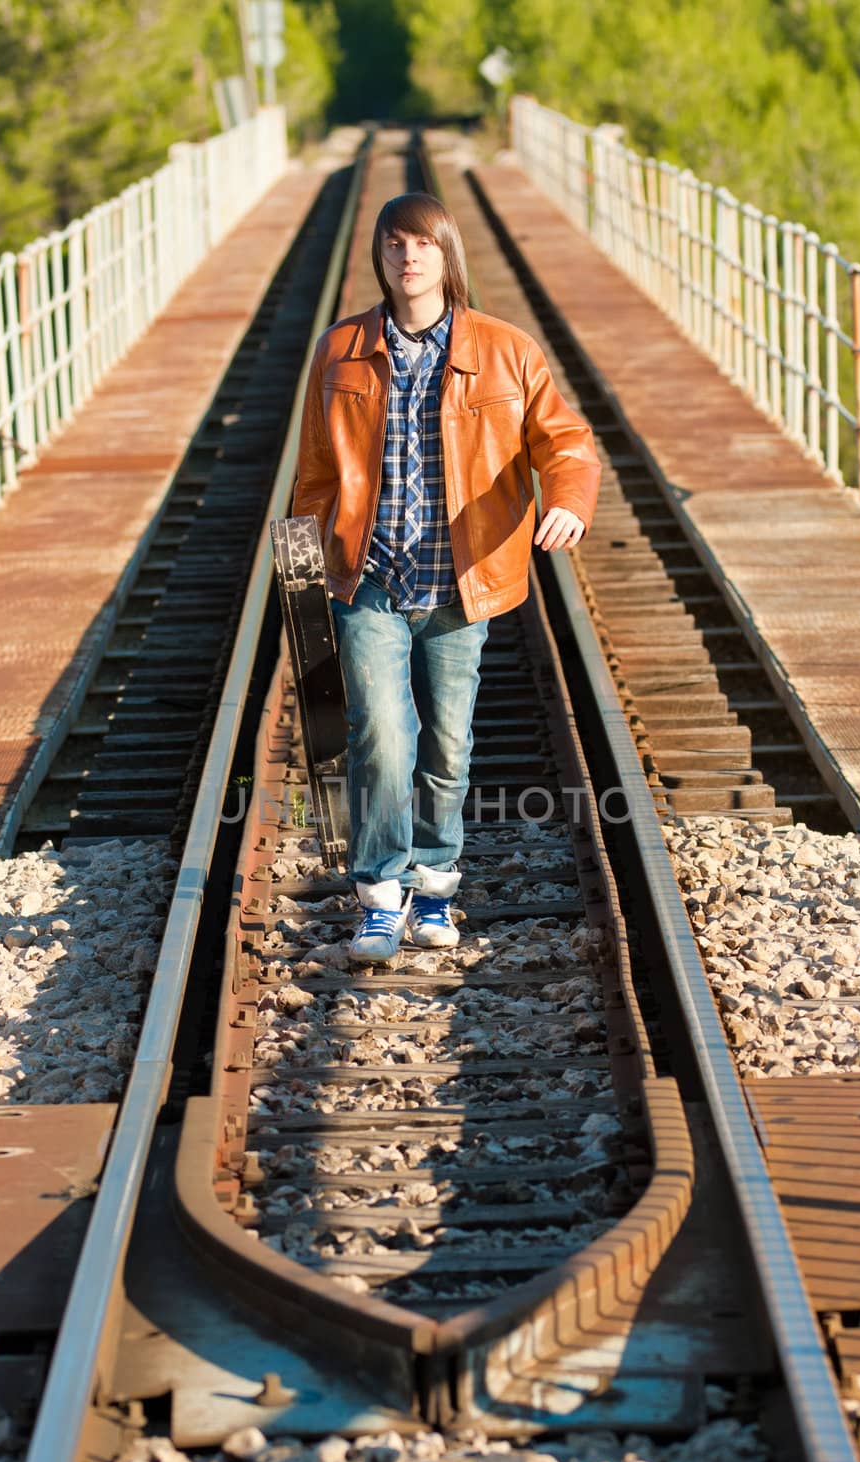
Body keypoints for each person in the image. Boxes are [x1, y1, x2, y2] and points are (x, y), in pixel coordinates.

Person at [293, 191, 599, 963]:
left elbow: (564, 442)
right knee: (384, 738)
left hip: (465, 584)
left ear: (445, 254)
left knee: (450, 746)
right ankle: (378, 895)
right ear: (381, 258)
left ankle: (434, 888)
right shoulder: (340, 351)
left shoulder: (505, 350)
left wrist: (567, 503)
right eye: (394, 245)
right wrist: (300, 575)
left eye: (422, 244)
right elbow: (315, 474)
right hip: (370, 580)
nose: (408, 258)